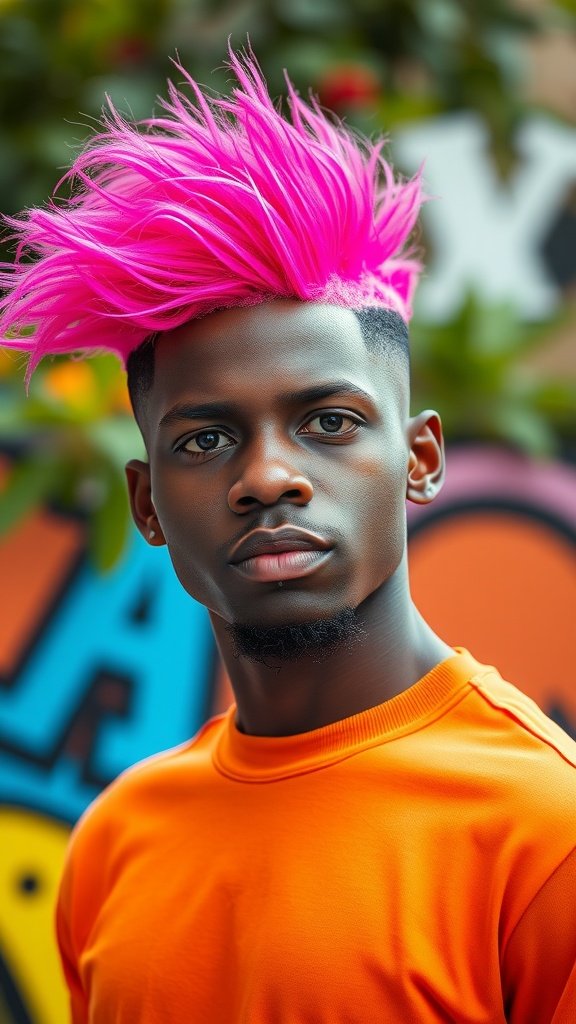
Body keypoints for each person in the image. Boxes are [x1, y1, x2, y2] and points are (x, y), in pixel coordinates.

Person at [1, 46, 575, 1024]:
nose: (267, 475)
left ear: (420, 458)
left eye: (329, 422)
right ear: (146, 501)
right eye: (208, 437)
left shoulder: (544, 832)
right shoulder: (115, 842)